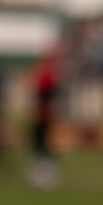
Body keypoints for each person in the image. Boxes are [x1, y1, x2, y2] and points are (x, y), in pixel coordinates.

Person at [27, 47, 62, 190]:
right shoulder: (47, 74)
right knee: (39, 140)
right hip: (42, 113)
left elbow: (46, 95)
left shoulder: (47, 75)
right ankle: (43, 165)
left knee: (42, 141)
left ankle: (45, 168)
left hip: (44, 114)